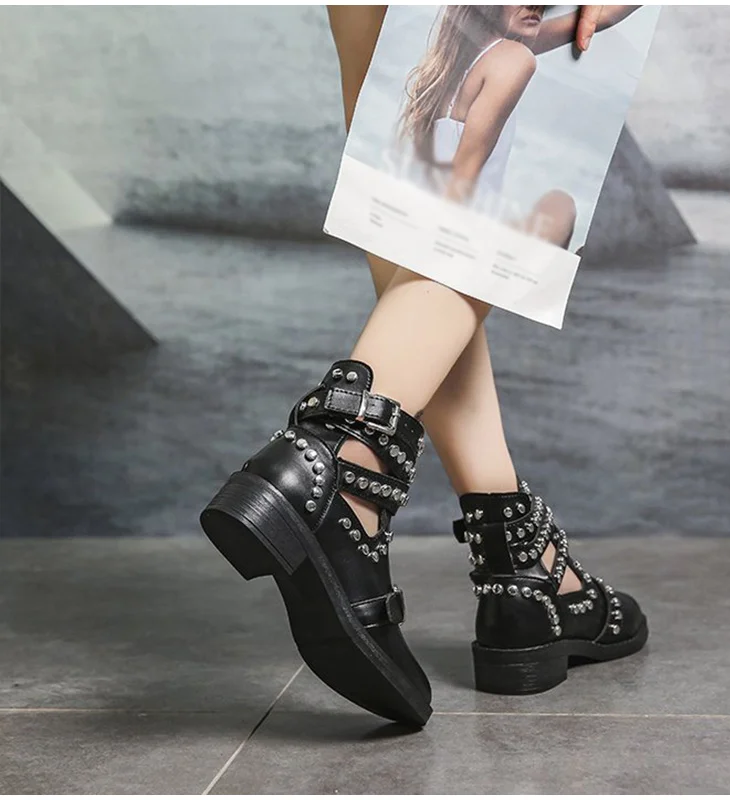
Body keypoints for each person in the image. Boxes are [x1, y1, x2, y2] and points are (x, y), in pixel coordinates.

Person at [199, 4, 648, 730]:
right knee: (547, 210)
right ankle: (338, 467)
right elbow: (466, 186)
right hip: (470, 169)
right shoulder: (511, 58)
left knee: (397, 207)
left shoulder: (447, 60)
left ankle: (515, 556)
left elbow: (543, 29)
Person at [399, 5, 638, 247]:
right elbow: (463, 174)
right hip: (458, 232)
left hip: (430, 216)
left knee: (557, 205)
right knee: (560, 209)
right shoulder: (513, 58)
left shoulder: (457, 61)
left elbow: (602, 15)